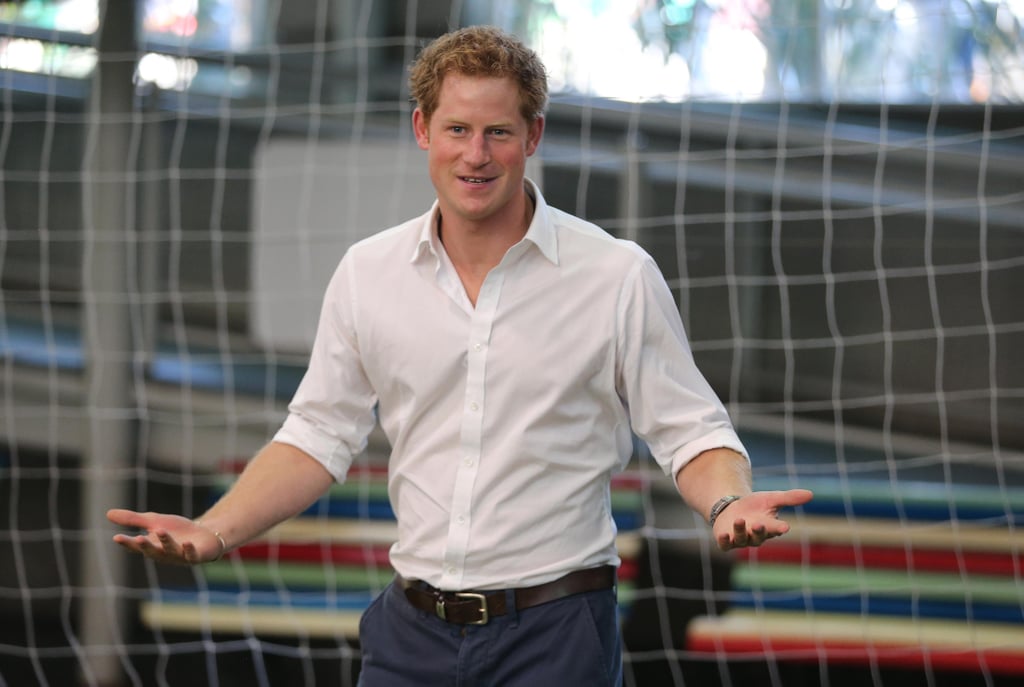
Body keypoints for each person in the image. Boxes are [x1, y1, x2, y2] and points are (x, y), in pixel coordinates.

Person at [108, 25, 813, 686]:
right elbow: (317, 435)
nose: (476, 154)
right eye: (457, 130)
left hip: (557, 632)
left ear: (532, 135)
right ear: (424, 130)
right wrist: (212, 530)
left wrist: (726, 500)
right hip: (408, 635)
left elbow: (689, 430)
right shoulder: (367, 272)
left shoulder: (616, 275)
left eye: (498, 132)